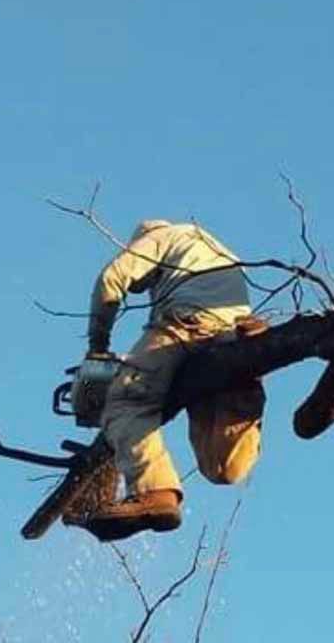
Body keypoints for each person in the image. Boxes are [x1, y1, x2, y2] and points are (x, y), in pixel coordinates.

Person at [73, 219, 264, 542]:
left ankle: (156, 491)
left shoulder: (160, 237)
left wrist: (98, 346)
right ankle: (246, 381)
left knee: (124, 402)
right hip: (231, 337)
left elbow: (111, 280)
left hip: (185, 324)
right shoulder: (213, 249)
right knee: (221, 469)